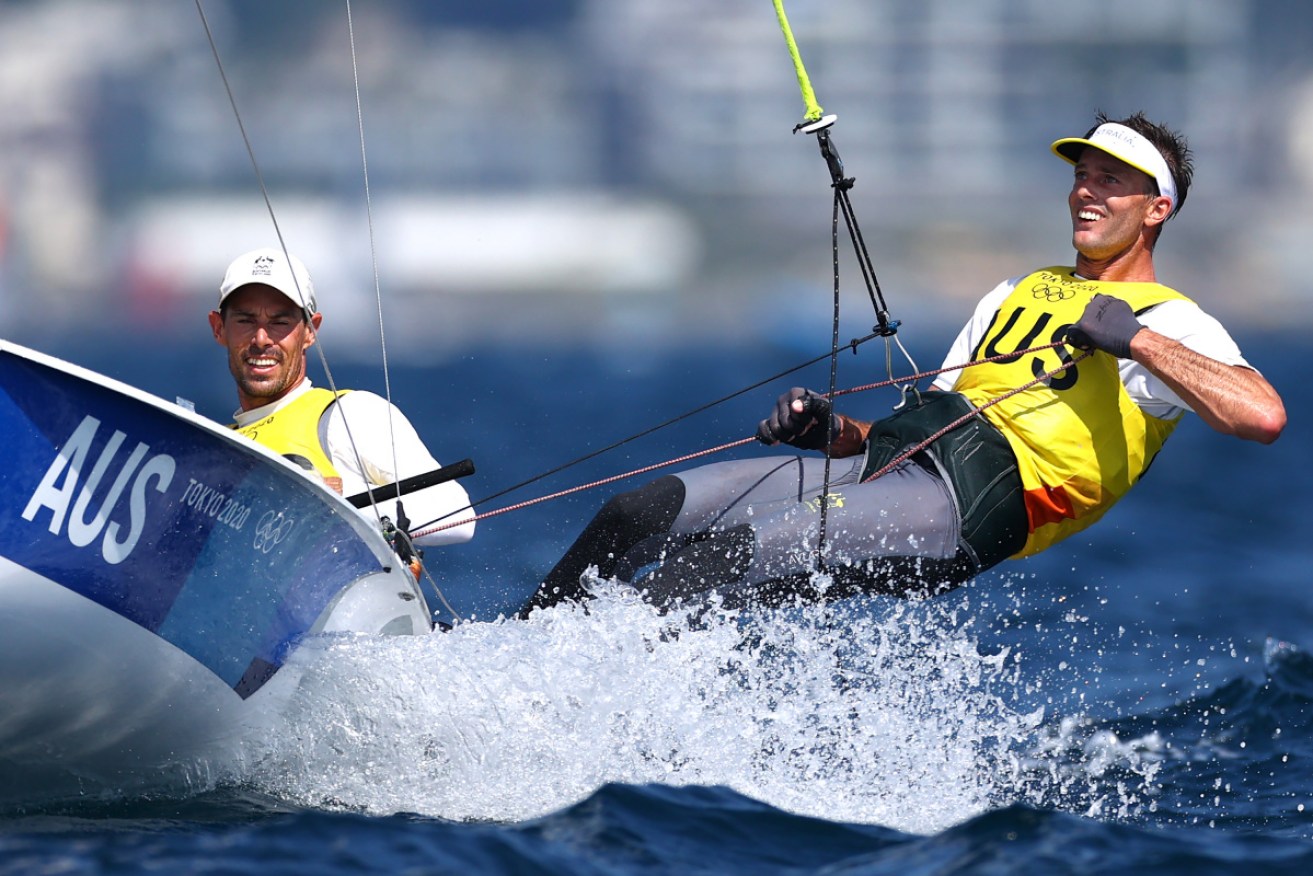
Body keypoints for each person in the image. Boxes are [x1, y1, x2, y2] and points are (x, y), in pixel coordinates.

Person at [520, 111, 1285, 616]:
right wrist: (830, 431)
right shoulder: (1016, 290)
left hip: (970, 512)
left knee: (715, 565)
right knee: (639, 513)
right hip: (898, 467)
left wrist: (1137, 340)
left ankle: (587, 703)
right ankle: (519, 651)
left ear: (1157, 209)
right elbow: (913, 424)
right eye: (1081, 174)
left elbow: (1261, 416)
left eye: (1110, 180)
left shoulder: (1172, 320)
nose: (1085, 191)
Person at [208, 246, 476, 548]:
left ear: (310, 330)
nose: (261, 339)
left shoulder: (349, 415)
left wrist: (331, 498)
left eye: (280, 323)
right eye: (245, 321)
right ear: (219, 328)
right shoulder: (215, 449)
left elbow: (459, 516)